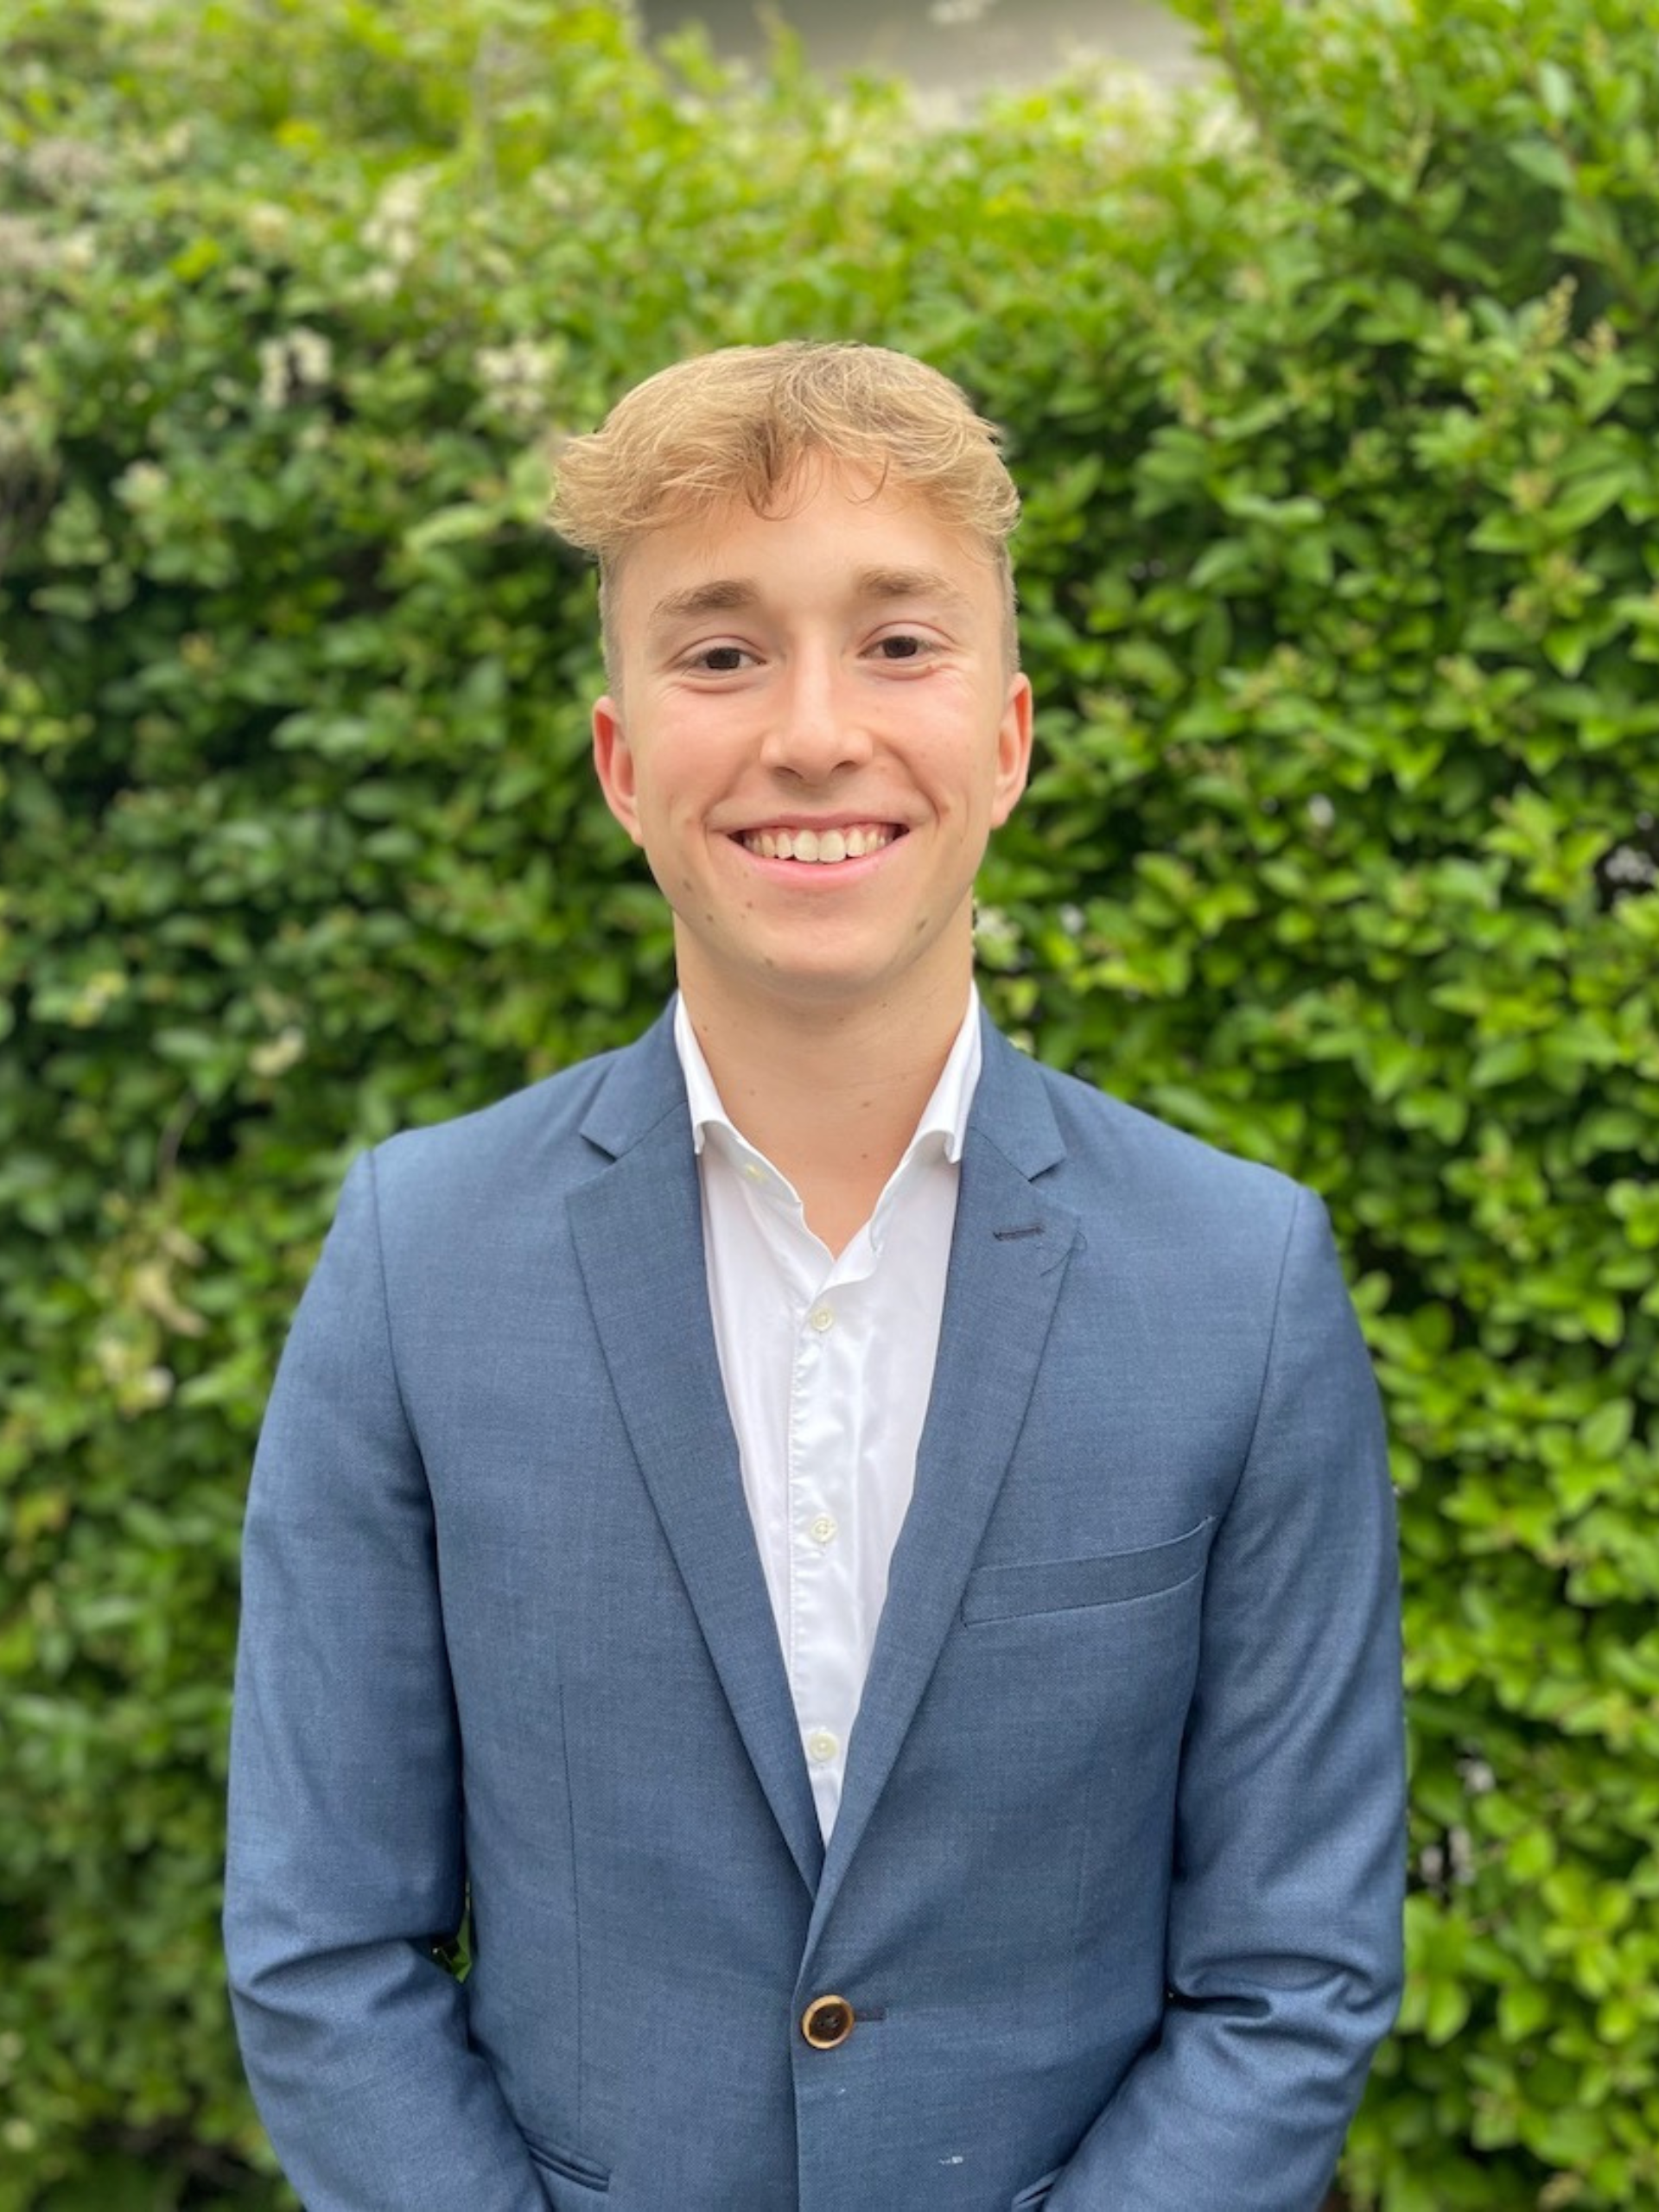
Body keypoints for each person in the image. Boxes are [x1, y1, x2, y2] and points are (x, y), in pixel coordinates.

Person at [225, 341, 1405, 2212]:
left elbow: (1293, 1971)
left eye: (898, 641)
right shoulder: (414, 1259)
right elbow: (323, 1948)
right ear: (622, 764)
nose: (811, 729)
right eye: (718, 650)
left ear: (1008, 739)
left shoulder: (1239, 1277)